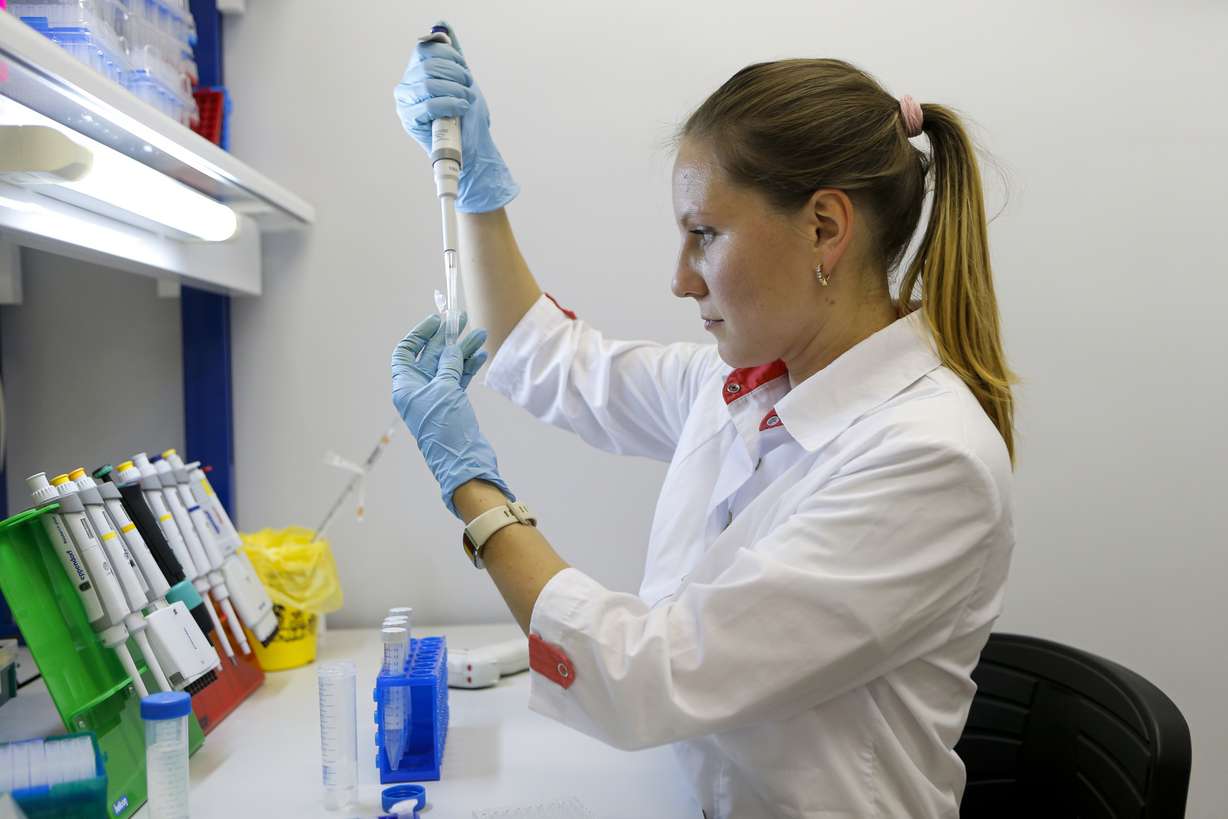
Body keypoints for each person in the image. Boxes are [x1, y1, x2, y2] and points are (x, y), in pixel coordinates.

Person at [392, 22, 1015, 819]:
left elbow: (644, 677)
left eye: (704, 235)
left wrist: (473, 490)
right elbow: (547, 357)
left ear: (825, 228)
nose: (681, 279)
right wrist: (479, 189)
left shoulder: (928, 459)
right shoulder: (744, 389)